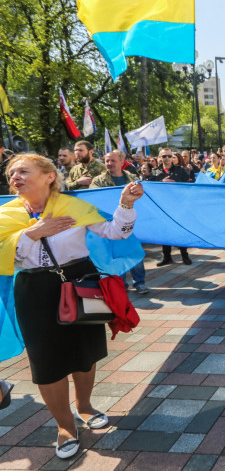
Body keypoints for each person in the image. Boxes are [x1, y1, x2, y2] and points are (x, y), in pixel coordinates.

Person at [2, 153, 143, 459]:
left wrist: (126, 204)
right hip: (34, 290)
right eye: (11, 173)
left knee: (85, 350)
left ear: (48, 176)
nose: (15, 176)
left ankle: (85, 406)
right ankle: (65, 426)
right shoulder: (6, 214)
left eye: (23, 170)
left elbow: (115, 232)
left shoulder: (73, 206)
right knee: (46, 360)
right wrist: (30, 234)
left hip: (80, 281)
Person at [91, 151, 148, 294]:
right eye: (107, 161)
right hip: (110, 222)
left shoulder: (133, 178)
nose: (109, 163)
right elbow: (94, 198)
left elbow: (144, 197)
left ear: (122, 161)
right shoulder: (98, 181)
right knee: (116, 255)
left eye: (112, 160)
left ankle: (140, 283)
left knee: (134, 252)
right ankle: (121, 284)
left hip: (130, 221)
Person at [152, 148, 191, 266]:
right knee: (164, 231)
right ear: (160, 157)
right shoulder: (154, 171)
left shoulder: (181, 170)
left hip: (178, 205)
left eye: (169, 156)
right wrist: (161, 182)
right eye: (164, 156)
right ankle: (167, 257)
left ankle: (184, 255)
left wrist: (176, 183)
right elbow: (149, 185)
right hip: (162, 206)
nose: (167, 158)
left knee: (180, 230)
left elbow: (190, 184)